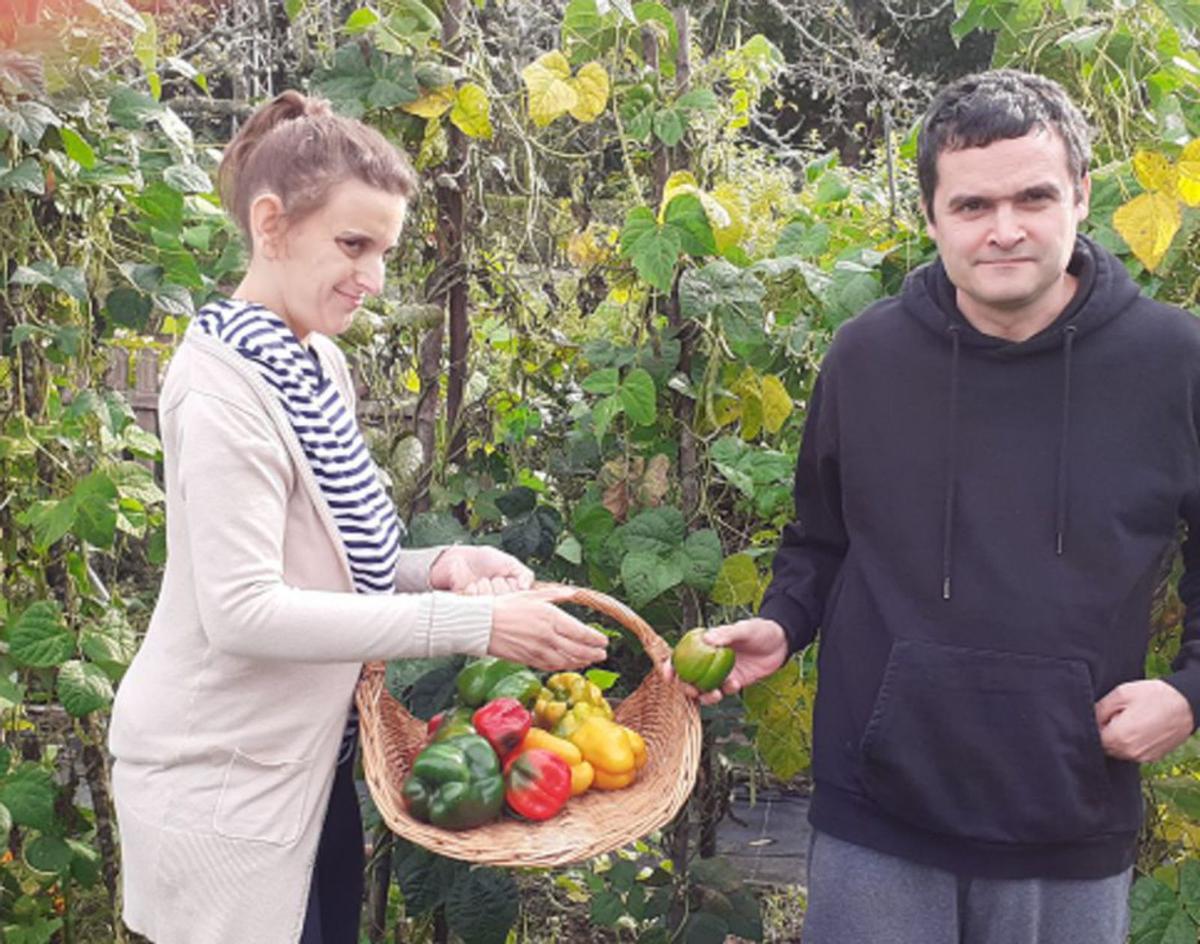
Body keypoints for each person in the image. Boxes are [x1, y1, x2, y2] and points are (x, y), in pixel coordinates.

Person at [666, 69, 1200, 943]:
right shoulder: (866, 357)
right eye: (972, 206)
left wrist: (1189, 693)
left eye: (1034, 197)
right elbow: (819, 541)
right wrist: (783, 620)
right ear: (932, 216)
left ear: (1082, 196)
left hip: (1065, 810)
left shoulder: (1174, 363)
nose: (1005, 230)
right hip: (879, 809)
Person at [108, 90, 608, 944]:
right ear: (272, 225)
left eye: (384, 251)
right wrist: (472, 623)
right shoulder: (220, 386)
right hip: (223, 783)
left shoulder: (315, 363)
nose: (373, 278)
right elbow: (244, 610)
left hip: (306, 771)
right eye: (353, 244)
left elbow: (331, 559)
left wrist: (441, 563)